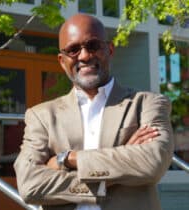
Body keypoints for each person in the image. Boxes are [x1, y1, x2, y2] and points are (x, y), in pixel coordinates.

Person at [14, 13, 174, 210]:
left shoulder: (147, 104)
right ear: (62, 60)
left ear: (110, 49)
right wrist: (110, 175)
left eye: (93, 45)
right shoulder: (42, 116)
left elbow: (152, 163)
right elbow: (29, 185)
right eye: (73, 50)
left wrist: (67, 159)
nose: (84, 56)